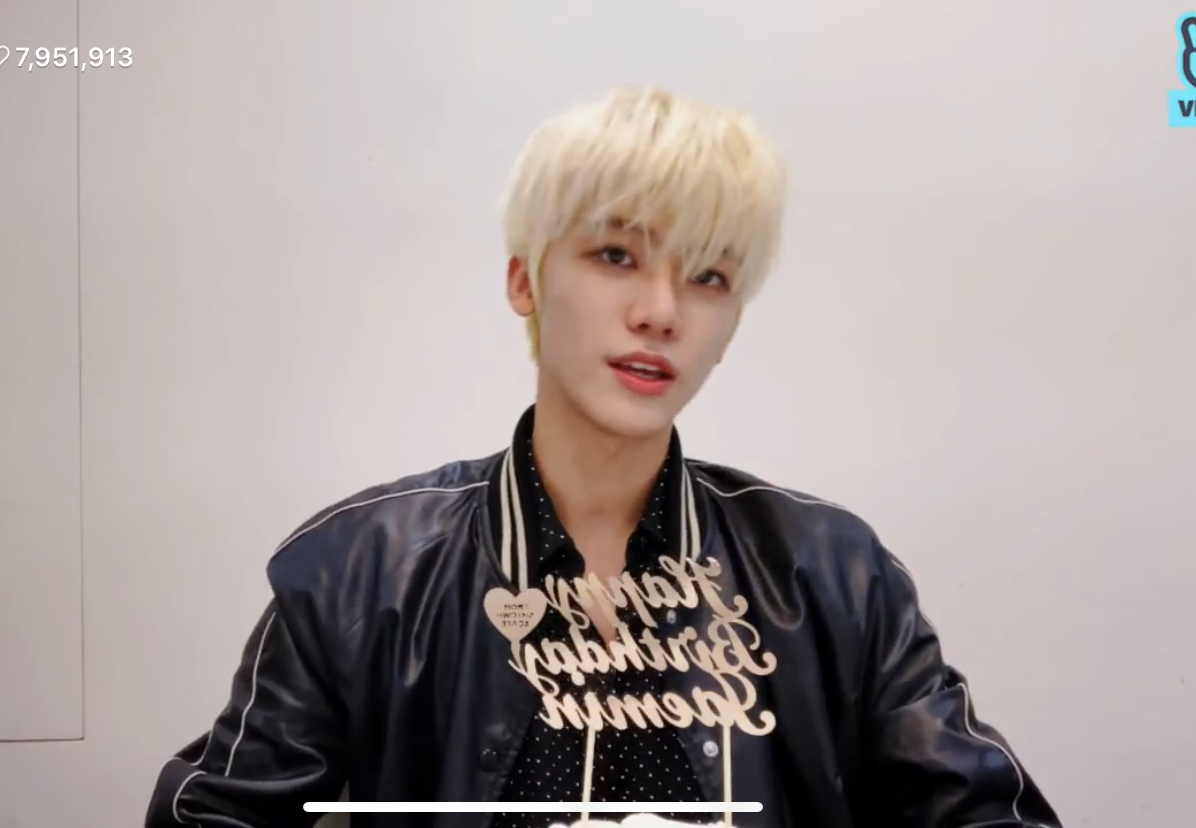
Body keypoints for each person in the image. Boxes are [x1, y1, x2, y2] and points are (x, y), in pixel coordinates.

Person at [145, 86, 1063, 828]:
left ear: (731, 324)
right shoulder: (360, 571)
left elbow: (982, 812)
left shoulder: (833, 573)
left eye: (708, 275)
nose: (662, 311)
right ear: (525, 278)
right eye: (617, 254)